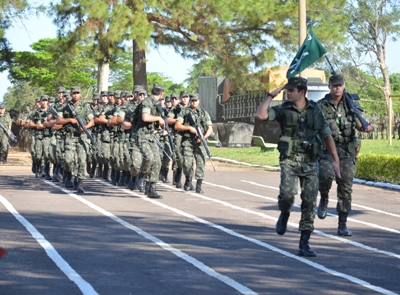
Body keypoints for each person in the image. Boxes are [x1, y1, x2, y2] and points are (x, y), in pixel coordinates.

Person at [255, 76, 341, 257]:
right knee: (286, 195)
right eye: (287, 90)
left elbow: (326, 134)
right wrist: (271, 95)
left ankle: (304, 243)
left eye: (291, 90)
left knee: (309, 202)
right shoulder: (283, 109)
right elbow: (260, 115)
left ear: (302, 92)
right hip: (290, 160)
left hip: (310, 161)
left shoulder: (315, 110)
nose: (288, 93)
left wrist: (335, 160)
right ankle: (284, 213)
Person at [317, 74, 373, 236]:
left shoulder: (351, 105)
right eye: (334, 85)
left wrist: (365, 128)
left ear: (344, 86)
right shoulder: (321, 106)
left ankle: (342, 223)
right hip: (327, 150)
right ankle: (324, 198)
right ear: (329, 86)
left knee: (345, 187)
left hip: (347, 152)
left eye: (340, 85)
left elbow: (359, 124)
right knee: (325, 175)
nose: (337, 88)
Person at [56, 86, 95, 193]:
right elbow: (59, 121)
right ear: (71, 94)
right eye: (74, 93)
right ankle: (68, 175)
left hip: (82, 137)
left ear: (81, 94)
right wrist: (70, 120)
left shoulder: (85, 107)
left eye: (78, 93)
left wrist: (85, 128)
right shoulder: (65, 107)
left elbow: (92, 121)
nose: (76, 95)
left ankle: (80, 182)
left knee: (82, 161)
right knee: (68, 160)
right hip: (70, 136)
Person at [174, 94, 213, 193]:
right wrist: (189, 128)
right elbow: (177, 126)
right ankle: (188, 180)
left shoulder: (204, 113)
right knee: (187, 164)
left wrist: (203, 138)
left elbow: (210, 128)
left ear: (198, 101)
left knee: (200, 163)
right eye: (192, 100)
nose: (194, 102)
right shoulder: (184, 112)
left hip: (200, 142)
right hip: (188, 141)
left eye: (195, 100)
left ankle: (199, 185)